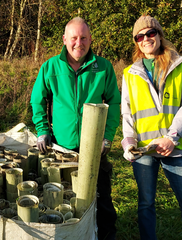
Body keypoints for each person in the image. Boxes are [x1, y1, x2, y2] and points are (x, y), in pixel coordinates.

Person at [30, 17, 121, 240]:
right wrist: (43, 130)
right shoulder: (50, 67)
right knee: (63, 198)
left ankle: (105, 235)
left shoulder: (103, 67)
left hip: (95, 148)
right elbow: (38, 101)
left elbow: (115, 103)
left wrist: (106, 138)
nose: (78, 43)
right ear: (64, 39)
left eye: (83, 38)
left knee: (102, 199)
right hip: (62, 147)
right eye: (73, 38)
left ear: (90, 40)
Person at [121, 15, 182, 240]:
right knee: (146, 203)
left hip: (174, 147)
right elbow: (127, 113)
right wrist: (129, 144)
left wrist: (171, 137)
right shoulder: (130, 73)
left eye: (151, 33)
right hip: (144, 149)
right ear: (136, 42)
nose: (146, 39)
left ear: (159, 35)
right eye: (140, 36)